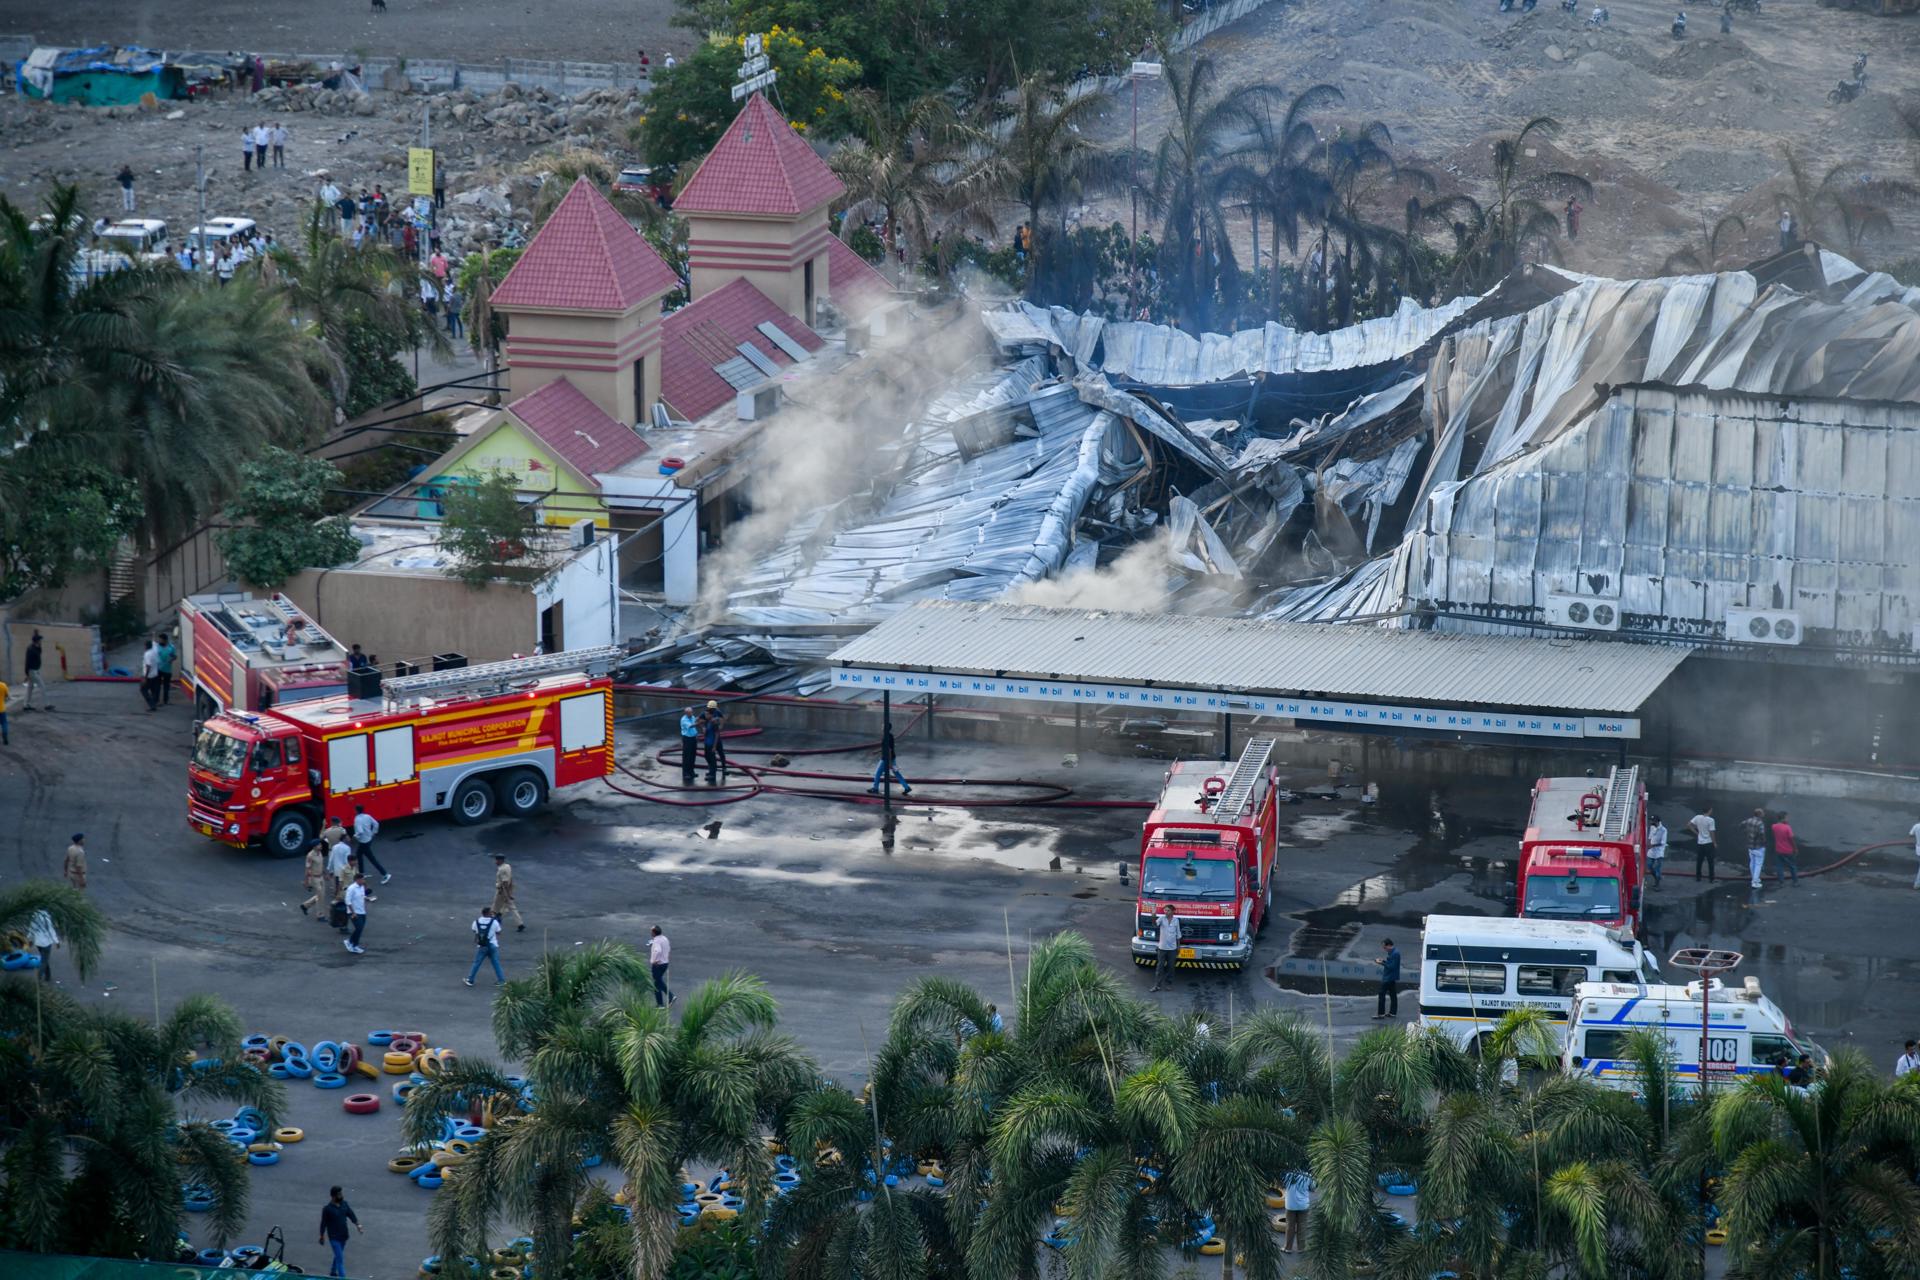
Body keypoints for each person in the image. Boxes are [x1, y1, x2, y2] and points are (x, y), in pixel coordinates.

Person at [318, 1186, 362, 1277]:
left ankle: (333, 1272)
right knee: (340, 1260)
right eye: (339, 1194)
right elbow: (323, 1223)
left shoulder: (344, 1204)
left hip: (344, 1236)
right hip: (334, 1238)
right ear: (333, 1196)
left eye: (341, 1193)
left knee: (338, 1255)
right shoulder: (327, 1209)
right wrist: (322, 1236)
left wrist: (358, 1225)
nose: (341, 1195)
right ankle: (342, 1277)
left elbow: (351, 1214)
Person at [867, 722, 911, 796]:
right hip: (891, 757)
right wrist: (877, 751)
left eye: (883, 725)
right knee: (896, 773)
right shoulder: (890, 736)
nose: (881, 726)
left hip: (886, 759)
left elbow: (889, 749)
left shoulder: (886, 737)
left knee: (878, 773)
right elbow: (886, 747)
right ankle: (906, 787)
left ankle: (875, 788)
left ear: (885, 728)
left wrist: (889, 763)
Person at [466, 906, 505, 985]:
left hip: (482, 945)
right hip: (493, 944)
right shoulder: (494, 922)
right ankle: (501, 980)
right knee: (496, 963)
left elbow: (474, 930)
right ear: (488, 913)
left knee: (477, 963)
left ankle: (470, 980)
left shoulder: (476, 922)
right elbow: (499, 932)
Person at [352, 805, 389, 884]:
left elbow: (360, 831)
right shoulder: (367, 816)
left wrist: (355, 836)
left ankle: (385, 874)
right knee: (359, 855)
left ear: (356, 811)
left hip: (363, 841)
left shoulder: (357, 819)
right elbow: (376, 824)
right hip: (368, 839)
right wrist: (373, 833)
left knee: (371, 858)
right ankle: (361, 873)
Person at [325, 829, 353, 927]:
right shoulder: (347, 848)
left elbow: (331, 859)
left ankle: (336, 903)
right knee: (344, 889)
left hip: (337, 871)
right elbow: (347, 861)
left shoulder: (335, 847)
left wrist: (329, 870)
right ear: (344, 838)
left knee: (337, 887)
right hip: (345, 872)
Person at [1282, 1169, 1314, 1254]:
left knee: (1289, 1227)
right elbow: (1313, 1188)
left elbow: (1282, 1185)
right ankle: (1301, 1248)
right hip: (1303, 1205)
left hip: (1290, 1205)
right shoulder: (1307, 1175)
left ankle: (1288, 1248)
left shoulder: (1288, 1174)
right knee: (1302, 1227)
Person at [1150, 903, 1180, 991]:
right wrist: (1153, 914)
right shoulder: (1162, 919)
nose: (1166, 912)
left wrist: (1178, 946)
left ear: (1173, 911)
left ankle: (1169, 984)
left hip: (1172, 949)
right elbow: (1154, 925)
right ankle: (1157, 985)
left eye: (1168, 910)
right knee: (1160, 967)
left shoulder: (1176, 920)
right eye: (1165, 910)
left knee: (1171, 967)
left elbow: (1178, 934)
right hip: (1162, 948)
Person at [492, 853, 524, 931]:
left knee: (495, 909)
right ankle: (520, 924)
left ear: (500, 860)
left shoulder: (502, 869)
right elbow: (511, 879)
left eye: (497, 860)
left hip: (502, 891)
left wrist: (507, 894)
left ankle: (492, 924)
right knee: (511, 907)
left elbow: (505, 882)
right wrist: (510, 891)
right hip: (507, 890)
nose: (495, 861)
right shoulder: (507, 866)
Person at [1373, 937, 1402, 1019]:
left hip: (1388, 977)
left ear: (1389, 945)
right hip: (1392, 977)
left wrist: (1381, 962)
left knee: (1381, 994)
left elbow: (1391, 966)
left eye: (1385, 947)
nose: (1385, 949)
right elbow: (1391, 964)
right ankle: (1392, 1013)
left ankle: (1381, 1014)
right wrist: (1384, 961)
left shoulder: (1395, 954)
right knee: (1393, 995)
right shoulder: (1394, 952)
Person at [28, 909, 59, 984]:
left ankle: (48, 976)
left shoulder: (34, 917)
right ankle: (38, 978)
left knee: (44, 959)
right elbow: (51, 930)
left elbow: (31, 929)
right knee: (44, 961)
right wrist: (57, 942)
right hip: (46, 943)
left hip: (38, 942)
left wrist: (30, 940)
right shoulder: (46, 918)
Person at [701, 699, 727, 783]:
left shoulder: (717, 713)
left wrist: (721, 726)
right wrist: (703, 728)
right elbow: (699, 720)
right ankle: (711, 770)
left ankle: (723, 767)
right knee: (708, 755)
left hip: (715, 737)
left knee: (720, 752)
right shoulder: (705, 713)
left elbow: (722, 718)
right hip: (709, 737)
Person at [21, 630, 48, 709]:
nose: (41, 641)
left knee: (30, 688)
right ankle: (47, 704)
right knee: (42, 686)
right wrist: (27, 673)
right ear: (37, 641)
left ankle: (26, 705)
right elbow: (27, 662)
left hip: (35, 671)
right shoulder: (31, 649)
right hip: (32, 671)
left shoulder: (36, 648)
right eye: (40, 640)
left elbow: (40, 652)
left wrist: (37, 635)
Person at [648, 925, 674, 1007]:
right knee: (657, 984)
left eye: (651, 931)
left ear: (654, 933)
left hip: (658, 965)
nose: (650, 932)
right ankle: (660, 1004)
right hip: (665, 963)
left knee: (658, 983)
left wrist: (655, 960)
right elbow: (668, 949)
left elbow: (658, 951)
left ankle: (670, 996)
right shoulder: (664, 938)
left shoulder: (656, 941)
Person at [343, 873, 369, 953]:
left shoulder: (361, 887)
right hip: (354, 912)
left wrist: (367, 898)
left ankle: (350, 942)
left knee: (360, 929)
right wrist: (353, 913)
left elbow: (361, 896)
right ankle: (354, 945)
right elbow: (348, 901)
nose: (364, 881)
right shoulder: (351, 888)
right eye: (362, 879)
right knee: (359, 928)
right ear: (357, 880)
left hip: (362, 911)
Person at [1771, 811, 1799, 885]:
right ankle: (1795, 881)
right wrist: (1795, 848)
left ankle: (1781, 882)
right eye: (1787, 817)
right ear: (1783, 818)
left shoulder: (1774, 826)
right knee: (1792, 866)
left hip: (1778, 850)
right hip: (1788, 850)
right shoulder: (1787, 828)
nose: (1788, 819)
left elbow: (1777, 828)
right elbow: (1791, 839)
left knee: (1779, 866)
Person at [1742, 807, 1768, 888]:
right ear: (1759, 814)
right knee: (1758, 864)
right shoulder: (1760, 823)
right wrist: (1764, 842)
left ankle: (1754, 878)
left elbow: (1741, 825)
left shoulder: (1749, 820)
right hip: (1758, 846)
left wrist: (1747, 832)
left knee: (1752, 862)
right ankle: (1755, 882)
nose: (1764, 813)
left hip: (1750, 846)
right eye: (1763, 813)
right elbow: (1762, 834)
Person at [1689, 806, 1716, 880]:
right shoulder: (1711, 820)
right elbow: (1712, 832)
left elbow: (1689, 825)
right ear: (1709, 811)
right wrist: (1714, 842)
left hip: (1700, 842)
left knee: (1699, 861)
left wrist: (1697, 833)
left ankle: (1698, 877)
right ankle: (1711, 878)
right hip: (1708, 843)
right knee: (1710, 861)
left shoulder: (1697, 817)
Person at [300, 839, 326, 915]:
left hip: (321, 877)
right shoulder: (310, 856)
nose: (321, 846)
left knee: (321, 895)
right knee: (320, 897)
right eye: (319, 845)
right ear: (314, 847)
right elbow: (307, 869)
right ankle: (320, 915)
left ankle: (305, 905)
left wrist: (325, 874)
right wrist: (306, 881)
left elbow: (321, 865)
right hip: (314, 878)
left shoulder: (320, 853)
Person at [678, 706, 701, 785]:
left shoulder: (692, 717)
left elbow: (694, 725)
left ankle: (691, 772)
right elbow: (691, 726)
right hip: (687, 739)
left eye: (692, 712)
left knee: (693, 755)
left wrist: (696, 735)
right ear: (686, 713)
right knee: (687, 756)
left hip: (693, 739)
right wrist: (700, 722)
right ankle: (686, 773)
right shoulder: (684, 720)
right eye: (689, 712)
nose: (691, 714)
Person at [139, 637, 162, 711]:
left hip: (149, 676)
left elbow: (148, 666)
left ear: (146, 646)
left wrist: (145, 677)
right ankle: (155, 702)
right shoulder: (154, 651)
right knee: (153, 690)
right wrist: (153, 635)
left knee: (143, 690)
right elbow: (154, 643)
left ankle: (152, 705)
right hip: (155, 674)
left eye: (144, 645)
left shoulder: (147, 654)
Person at [156, 632, 177, 705]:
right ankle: (157, 700)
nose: (159, 641)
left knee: (166, 686)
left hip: (167, 670)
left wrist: (171, 659)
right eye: (159, 640)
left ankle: (166, 700)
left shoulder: (171, 648)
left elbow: (174, 656)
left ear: (165, 640)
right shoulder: (157, 647)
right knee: (157, 685)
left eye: (161, 640)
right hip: (158, 669)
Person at [1646, 814, 1666, 888]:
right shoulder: (1652, 827)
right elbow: (1650, 837)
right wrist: (1648, 843)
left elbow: (1663, 842)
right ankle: (1657, 878)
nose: (1651, 822)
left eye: (1652, 820)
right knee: (1649, 866)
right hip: (1651, 851)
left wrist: (1652, 845)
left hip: (1659, 852)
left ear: (1656, 821)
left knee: (1657, 869)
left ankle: (1657, 884)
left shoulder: (1664, 830)